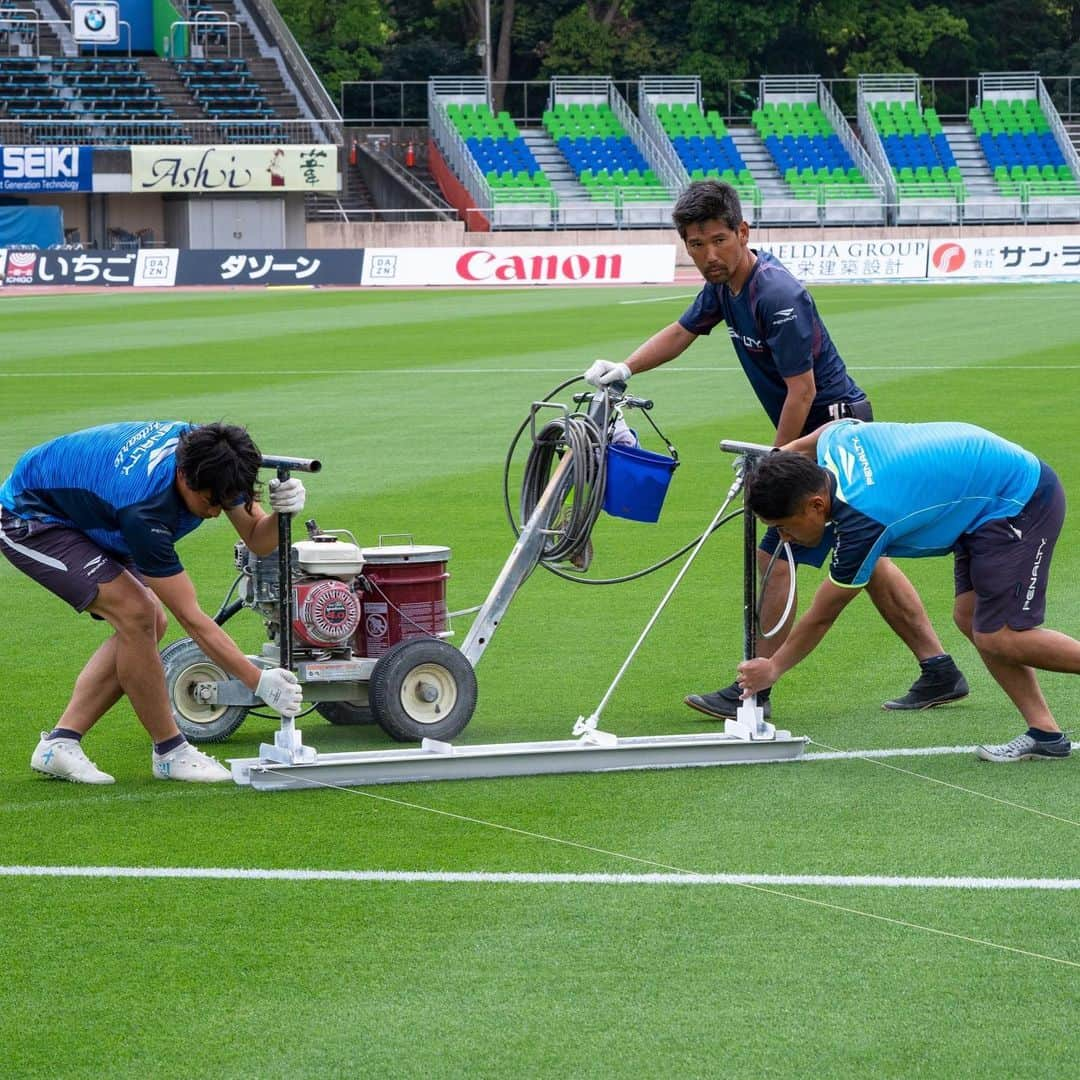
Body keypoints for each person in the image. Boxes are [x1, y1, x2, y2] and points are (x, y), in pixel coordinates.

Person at [583, 178, 967, 720]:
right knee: (865, 553)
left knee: (774, 555)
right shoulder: (723, 286)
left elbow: (802, 390)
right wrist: (625, 367)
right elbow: (682, 330)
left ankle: (755, 690)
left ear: (743, 231)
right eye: (695, 245)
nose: (708, 255)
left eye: (719, 240)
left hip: (834, 435)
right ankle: (939, 669)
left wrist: (775, 462)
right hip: (818, 435)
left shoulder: (776, 294)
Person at [736, 419, 1072, 762]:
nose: (785, 538)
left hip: (1019, 500)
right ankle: (1045, 733)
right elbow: (834, 428)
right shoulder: (833, 450)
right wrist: (782, 456)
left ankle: (1044, 730)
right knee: (970, 617)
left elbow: (823, 615)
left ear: (817, 506)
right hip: (982, 498)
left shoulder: (863, 521)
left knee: (1000, 636)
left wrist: (774, 667)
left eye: (783, 527)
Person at [0, 420, 306, 784]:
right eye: (210, 502)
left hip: (95, 507)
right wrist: (257, 681)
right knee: (138, 614)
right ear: (183, 477)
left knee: (149, 622)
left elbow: (258, 539)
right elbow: (191, 619)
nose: (213, 514)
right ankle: (170, 751)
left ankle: (59, 745)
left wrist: (281, 513)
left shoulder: (217, 459)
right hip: (32, 515)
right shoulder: (144, 509)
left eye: (224, 503)